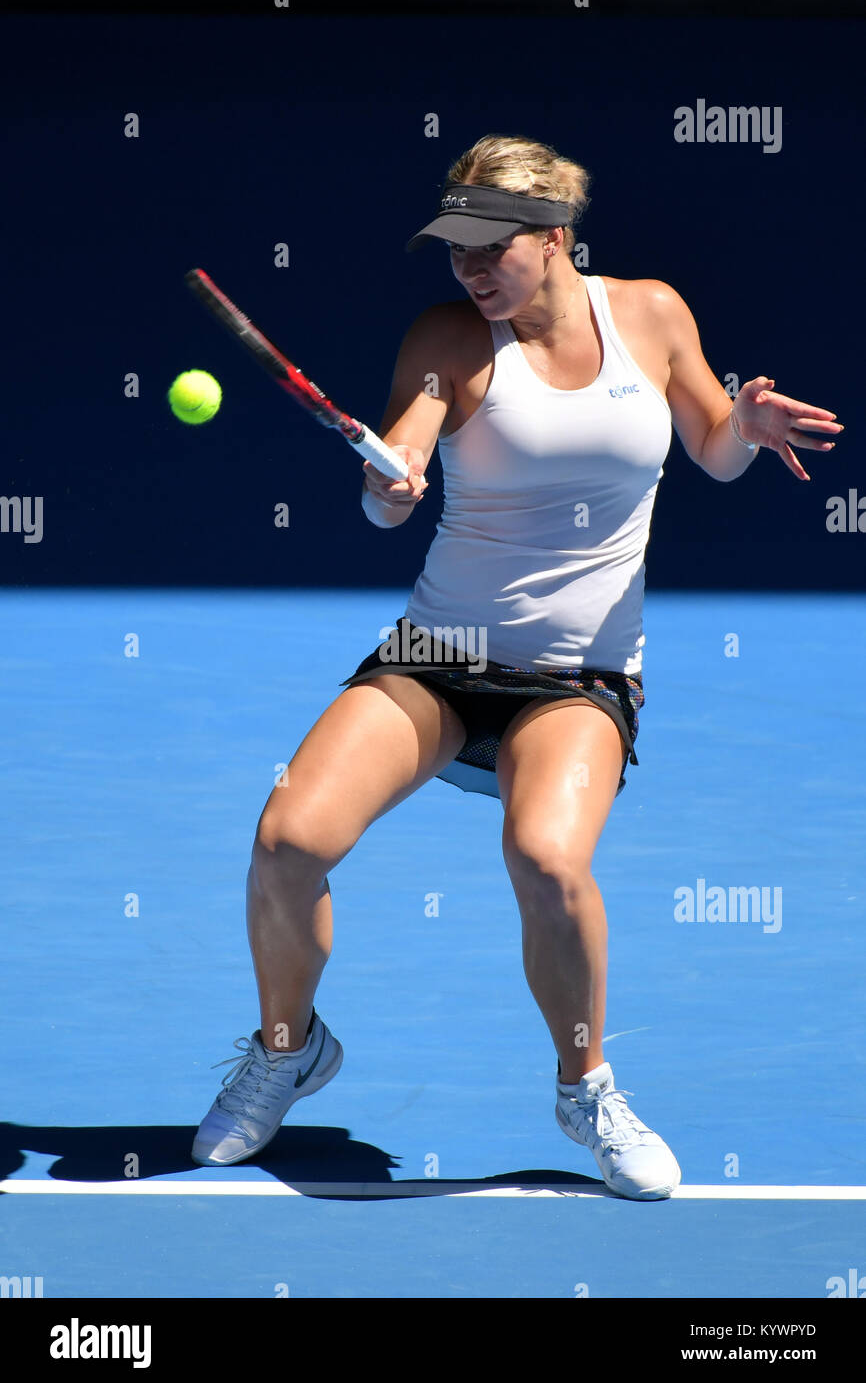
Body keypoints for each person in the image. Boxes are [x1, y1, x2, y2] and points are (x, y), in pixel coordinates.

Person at [191, 134, 842, 1199]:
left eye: (490, 250)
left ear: (553, 239)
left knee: (546, 861)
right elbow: (398, 458)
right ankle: (286, 1047)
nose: (469, 270)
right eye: (453, 250)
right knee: (286, 840)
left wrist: (743, 424)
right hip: (438, 656)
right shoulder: (448, 339)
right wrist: (388, 488)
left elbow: (711, 447)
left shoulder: (651, 315)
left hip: (578, 671)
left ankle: (583, 1084)